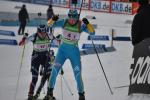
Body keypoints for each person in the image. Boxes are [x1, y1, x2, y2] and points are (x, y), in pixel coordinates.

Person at [43, 9, 95, 100]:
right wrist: (53, 19)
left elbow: (92, 32)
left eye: (73, 17)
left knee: (77, 74)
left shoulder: (80, 25)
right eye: (69, 16)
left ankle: (81, 95)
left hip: (74, 52)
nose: (71, 19)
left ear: (76, 17)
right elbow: (48, 25)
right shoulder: (64, 22)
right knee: (54, 71)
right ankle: (49, 92)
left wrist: (88, 24)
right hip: (62, 51)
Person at [19, 24, 55, 100]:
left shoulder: (48, 35)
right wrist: (24, 38)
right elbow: (21, 44)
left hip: (45, 56)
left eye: (44, 32)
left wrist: (59, 39)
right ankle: (30, 95)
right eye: (41, 33)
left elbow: (59, 42)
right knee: (35, 77)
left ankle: (49, 94)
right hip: (36, 58)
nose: (43, 34)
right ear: (37, 32)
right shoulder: (34, 36)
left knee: (50, 75)